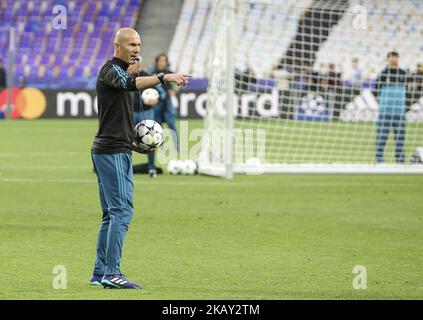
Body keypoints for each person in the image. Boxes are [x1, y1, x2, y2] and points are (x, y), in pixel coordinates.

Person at [89, 27, 190, 289]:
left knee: (110, 215)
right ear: (117, 46)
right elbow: (128, 83)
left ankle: (100, 273)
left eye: (139, 44)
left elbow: (118, 117)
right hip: (110, 152)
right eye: (131, 44)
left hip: (115, 148)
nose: (136, 49)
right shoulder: (110, 70)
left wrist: (135, 144)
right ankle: (112, 273)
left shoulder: (122, 72)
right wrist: (164, 77)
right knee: (121, 212)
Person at [127, 60, 165, 178]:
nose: (129, 65)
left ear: (139, 64)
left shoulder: (148, 77)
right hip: (131, 112)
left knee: (150, 140)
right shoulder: (126, 77)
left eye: (132, 63)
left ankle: (151, 167)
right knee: (127, 140)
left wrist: (156, 99)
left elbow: (162, 93)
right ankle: (127, 168)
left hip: (146, 113)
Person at [373, 51, 407, 164]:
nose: (394, 60)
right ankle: (378, 159)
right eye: (392, 58)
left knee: (400, 138)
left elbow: (408, 90)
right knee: (382, 136)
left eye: (396, 57)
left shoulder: (403, 73)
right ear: (388, 59)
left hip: (399, 112)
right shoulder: (383, 74)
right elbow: (375, 90)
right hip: (385, 111)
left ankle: (400, 160)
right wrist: (382, 101)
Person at [149, 53, 179, 151]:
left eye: (164, 60)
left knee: (171, 124)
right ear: (157, 61)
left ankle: (176, 145)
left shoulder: (169, 72)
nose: (162, 62)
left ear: (166, 62)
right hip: (156, 103)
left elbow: (178, 83)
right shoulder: (152, 72)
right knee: (158, 125)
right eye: (160, 60)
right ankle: (160, 145)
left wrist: (174, 91)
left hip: (167, 102)